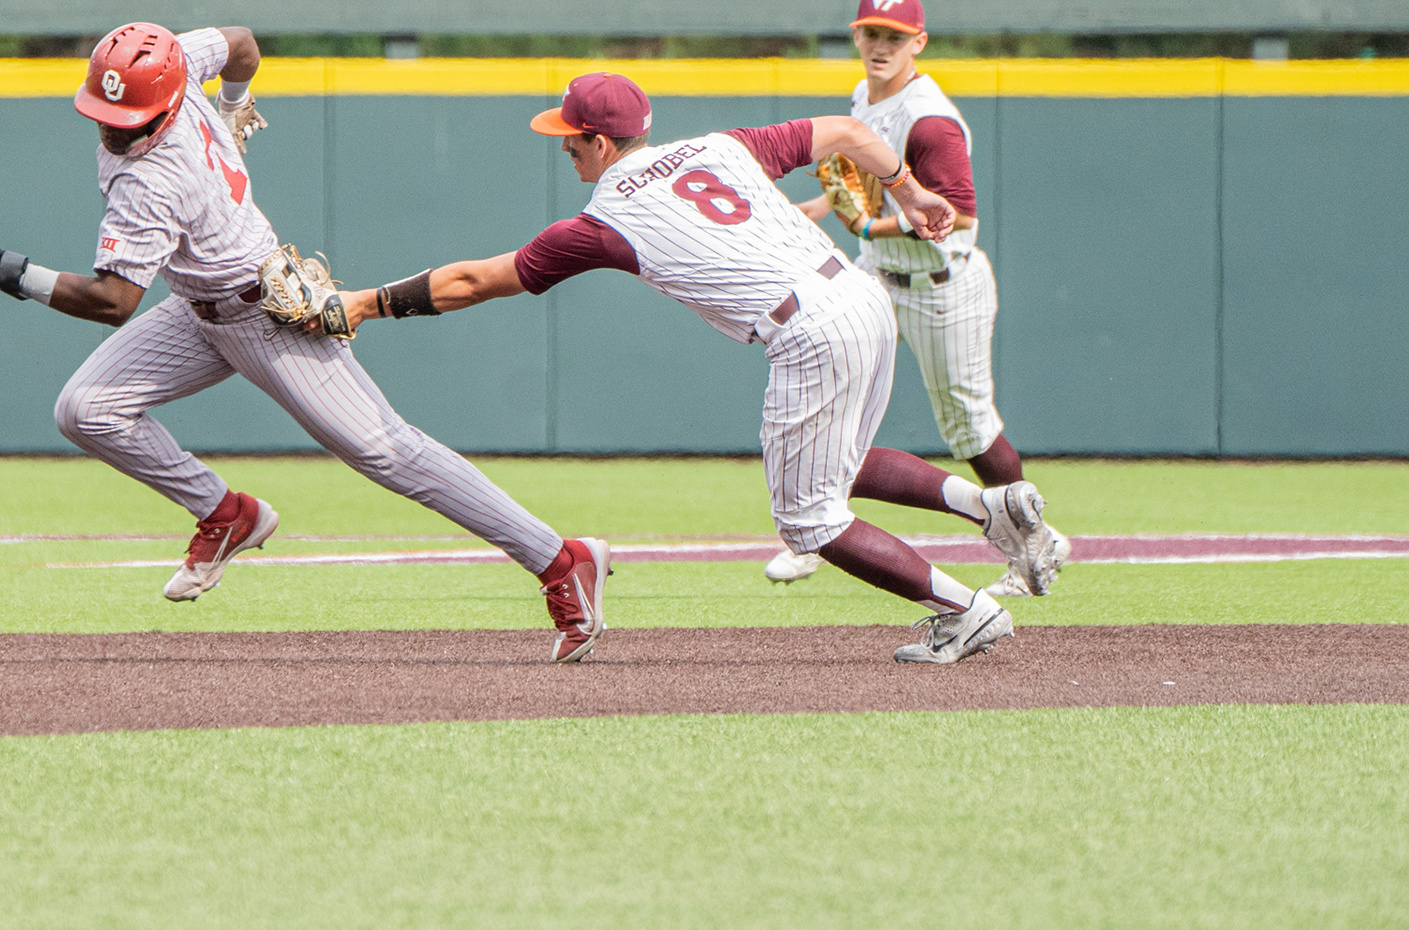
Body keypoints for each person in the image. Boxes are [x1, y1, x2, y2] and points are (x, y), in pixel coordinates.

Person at [0, 23, 609, 663]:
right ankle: (226, 514)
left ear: (166, 100)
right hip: (199, 305)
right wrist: (235, 105)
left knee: (386, 451)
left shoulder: (148, 180)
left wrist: (7, 271)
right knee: (86, 410)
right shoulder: (180, 61)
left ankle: (562, 561)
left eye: (130, 120)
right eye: (105, 115)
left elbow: (112, 302)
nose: (115, 131)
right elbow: (242, 42)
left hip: (266, 312)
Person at [309, 72, 1062, 664]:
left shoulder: (605, 220)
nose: (564, 148)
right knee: (839, 464)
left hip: (808, 330)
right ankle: (991, 508)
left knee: (809, 519)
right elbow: (847, 132)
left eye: (571, 138)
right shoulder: (722, 147)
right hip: (858, 296)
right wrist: (911, 190)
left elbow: (476, 280)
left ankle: (965, 612)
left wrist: (367, 304)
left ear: (601, 143)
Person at [767, 0, 1069, 596]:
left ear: (919, 43)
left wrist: (868, 225)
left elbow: (959, 214)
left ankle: (1036, 541)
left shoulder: (929, 120)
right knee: (832, 396)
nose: (881, 46)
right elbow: (869, 179)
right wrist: (822, 206)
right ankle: (817, 530)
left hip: (940, 284)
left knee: (968, 427)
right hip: (878, 272)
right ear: (856, 36)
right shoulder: (866, 96)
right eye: (872, 34)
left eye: (895, 37)